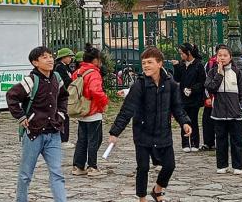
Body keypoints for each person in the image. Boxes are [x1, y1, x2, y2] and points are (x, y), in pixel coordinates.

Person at [109, 47, 192, 202]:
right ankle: (142, 198)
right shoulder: (139, 85)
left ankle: (158, 190)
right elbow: (127, 110)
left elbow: (177, 107)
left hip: (163, 132)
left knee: (169, 166)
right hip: (142, 133)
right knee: (143, 168)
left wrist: (185, 122)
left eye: (149, 62)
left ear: (159, 64)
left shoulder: (171, 84)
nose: (146, 66)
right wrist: (115, 132)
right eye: (144, 63)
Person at [6, 46, 69, 202]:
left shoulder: (56, 78)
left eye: (50, 56)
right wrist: (21, 117)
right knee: (26, 174)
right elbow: (11, 97)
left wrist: (60, 115)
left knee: (57, 173)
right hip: (33, 134)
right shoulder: (31, 80)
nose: (50, 59)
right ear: (35, 62)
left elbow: (63, 97)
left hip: (53, 133)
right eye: (44, 57)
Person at [204, 45, 242, 175]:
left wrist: (240, 107)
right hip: (218, 113)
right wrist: (219, 74)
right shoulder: (212, 72)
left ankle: (238, 166)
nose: (222, 58)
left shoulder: (237, 72)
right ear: (216, 57)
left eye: (225, 55)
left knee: (237, 142)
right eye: (220, 55)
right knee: (221, 141)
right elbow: (210, 88)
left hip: (235, 114)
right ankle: (222, 165)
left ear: (230, 57)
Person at [71, 43, 109, 177]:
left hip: (81, 110)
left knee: (82, 140)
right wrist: (105, 102)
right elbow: (95, 91)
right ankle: (92, 167)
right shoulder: (94, 73)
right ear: (96, 60)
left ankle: (78, 166)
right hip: (93, 111)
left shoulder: (78, 72)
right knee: (95, 140)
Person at [172, 43, 206, 152]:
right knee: (184, 120)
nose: (181, 55)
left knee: (193, 120)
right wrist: (176, 66)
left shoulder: (198, 65)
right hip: (182, 97)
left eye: (182, 53)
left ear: (189, 53)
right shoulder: (182, 65)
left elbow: (202, 82)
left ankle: (195, 143)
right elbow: (177, 79)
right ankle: (185, 143)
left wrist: (192, 89)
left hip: (194, 97)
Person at [54, 47, 75, 148]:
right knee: (63, 116)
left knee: (65, 116)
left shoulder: (66, 67)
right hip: (61, 95)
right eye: (68, 56)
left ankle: (64, 138)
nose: (70, 58)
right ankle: (63, 140)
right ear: (63, 57)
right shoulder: (59, 67)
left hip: (66, 94)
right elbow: (66, 80)